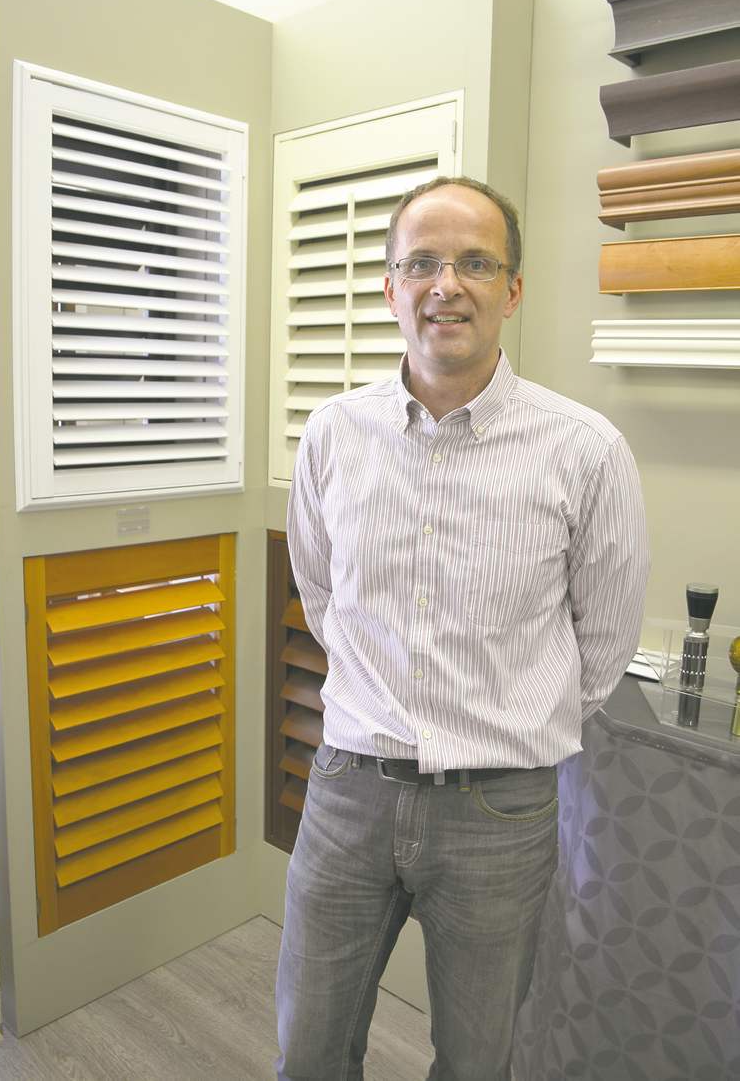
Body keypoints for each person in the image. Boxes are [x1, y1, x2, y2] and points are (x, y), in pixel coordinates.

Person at [276, 176, 650, 1081]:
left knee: (478, 1062)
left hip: (501, 810)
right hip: (348, 792)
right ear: (392, 285)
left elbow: (602, 642)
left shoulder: (585, 451)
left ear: (512, 289)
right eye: (423, 262)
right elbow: (323, 597)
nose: (448, 284)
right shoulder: (332, 435)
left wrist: (507, 725)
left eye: (476, 262)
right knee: (308, 1053)